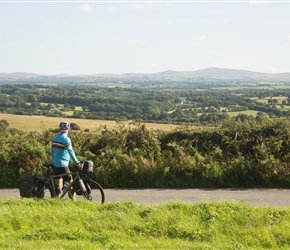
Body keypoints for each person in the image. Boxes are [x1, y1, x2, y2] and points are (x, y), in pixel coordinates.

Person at [51, 121, 82, 198]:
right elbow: (71, 151)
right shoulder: (66, 139)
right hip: (63, 164)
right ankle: (72, 202)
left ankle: (57, 200)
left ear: (60, 129)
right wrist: (77, 162)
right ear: (69, 129)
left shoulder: (55, 138)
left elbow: (52, 152)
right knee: (70, 182)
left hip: (54, 164)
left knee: (58, 182)